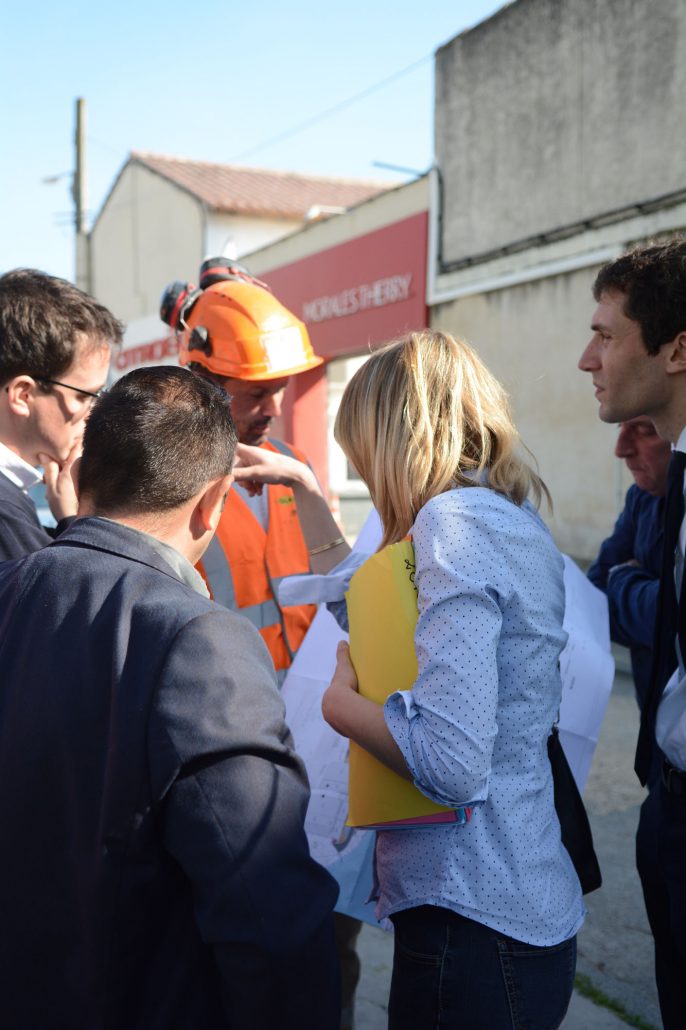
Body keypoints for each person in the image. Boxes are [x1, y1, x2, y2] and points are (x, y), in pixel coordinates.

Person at [238, 330, 584, 1030]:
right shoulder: (507, 515)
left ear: (395, 441)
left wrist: (340, 707)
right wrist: (306, 490)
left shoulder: (452, 527)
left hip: (472, 920)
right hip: (515, 903)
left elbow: (450, 763)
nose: (364, 476)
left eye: (363, 457)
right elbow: (373, 615)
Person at [0, 366, 340, 1030]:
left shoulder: (12, 588)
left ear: (82, 471)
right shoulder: (200, 640)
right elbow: (267, 913)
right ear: (214, 501)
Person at [160, 261, 361, 1030]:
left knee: (328, 954)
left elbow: (335, 589)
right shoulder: (169, 487)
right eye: (254, 392)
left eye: (280, 387)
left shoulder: (295, 471)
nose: (273, 406)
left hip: (319, 747)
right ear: (203, 384)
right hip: (233, 757)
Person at [578, 235, 686, 1030]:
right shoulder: (667, 484)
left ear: (677, 351)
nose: (588, 359)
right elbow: (604, 587)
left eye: (606, 335)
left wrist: (630, 586)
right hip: (669, 800)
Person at [0, 267, 122, 560]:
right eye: (84, 396)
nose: (94, 413)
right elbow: (73, 587)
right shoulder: (5, 515)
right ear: (23, 395)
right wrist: (77, 522)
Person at [588, 417, 671, 709]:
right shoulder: (642, 497)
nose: (621, 449)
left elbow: (670, 617)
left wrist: (623, 577)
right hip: (652, 714)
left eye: (644, 430)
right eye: (620, 428)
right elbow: (594, 602)